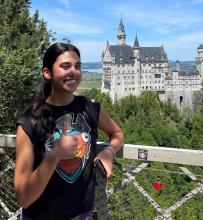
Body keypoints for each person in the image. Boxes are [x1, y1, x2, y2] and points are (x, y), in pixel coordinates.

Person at [14, 42, 124, 220]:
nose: (73, 71)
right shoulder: (31, 121)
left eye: (78, 66)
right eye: (65, 66)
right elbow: (23, 198)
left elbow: (117, 133)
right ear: (47, 73)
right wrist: (55, 155)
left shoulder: (90, 108)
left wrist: (109, 152)